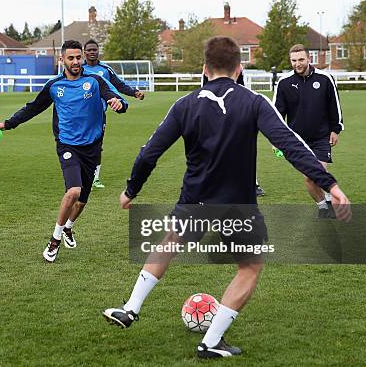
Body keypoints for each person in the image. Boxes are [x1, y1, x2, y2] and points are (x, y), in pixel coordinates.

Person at [102, 36, 351, 358]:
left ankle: (130, 308)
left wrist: (131, 190)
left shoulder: (185, 104)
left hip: (194, 200)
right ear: (239, 68)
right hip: (238, 205)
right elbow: (291, 146)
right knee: (249, 267)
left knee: (169, 243)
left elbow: (149, 153)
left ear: (204, 69)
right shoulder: (254, 102)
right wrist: (330, 185)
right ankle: (211, 341)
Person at [0, 40, 127, 263]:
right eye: (71, 58)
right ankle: (54, 241)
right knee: (73, 190)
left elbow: (115, 98)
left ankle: (68, 228)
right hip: (67, 145)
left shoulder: (95, 80)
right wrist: (8, 124)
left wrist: (119, 104)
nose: (75, 62)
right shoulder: (54, 85)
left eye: (78, 57)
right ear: (62, 60)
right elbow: (33, 107)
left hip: (92, 147)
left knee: (82, 200)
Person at [273, 44, 344, 218]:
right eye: (294, 60)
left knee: (318, 171)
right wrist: (276, 139)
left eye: (301, 60)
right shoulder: (284, 83)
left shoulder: (325, 78)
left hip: (321, 136)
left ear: (308, 59)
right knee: (309, 177)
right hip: (297, 140)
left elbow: (334, 105)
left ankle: (327, 199)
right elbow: (276, 114)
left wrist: (336, 129)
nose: (298, 64)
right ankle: (323, 206)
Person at [82, 39, 144, 189]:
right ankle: (80, 174)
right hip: (79, 114)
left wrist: (134, 93)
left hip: (98, 114)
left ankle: (95, 178)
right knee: (79, 144)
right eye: (89, 50)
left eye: (94, 50)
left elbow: (119, 85)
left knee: (97, 146)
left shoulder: (105, 70)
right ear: (84, 52)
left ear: (98, 51)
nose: (92, 52)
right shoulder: (79, 68)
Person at [203, 68, 266, 197]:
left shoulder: (236, 71)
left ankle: (253, 184)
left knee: (243, 153)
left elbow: (243, 90)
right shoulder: (210, 70)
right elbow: (204, 90)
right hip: (217, 119)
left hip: (236, 118)